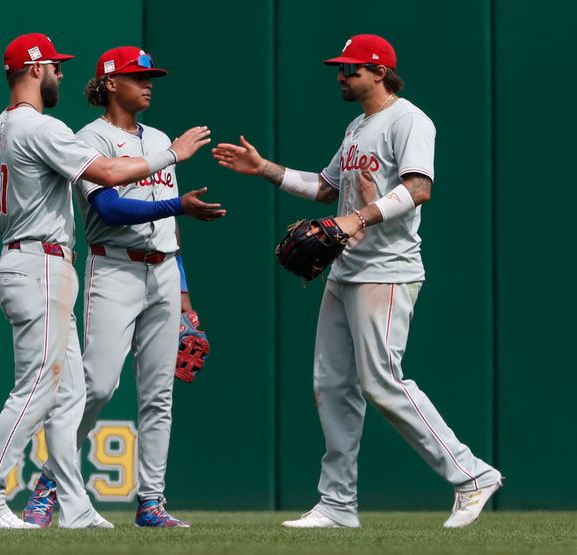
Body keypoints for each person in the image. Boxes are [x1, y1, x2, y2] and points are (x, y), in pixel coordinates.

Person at [212, 33, 502, 529]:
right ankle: (337, 504)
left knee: (382, 381)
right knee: (331, 384)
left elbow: (419, 188)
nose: (341, 76)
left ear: (379, 72)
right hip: (347, 271)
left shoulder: (408, 119)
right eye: (340, 68)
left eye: (350, 69)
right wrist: (265, 170)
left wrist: (359, 218)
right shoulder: (357, 126)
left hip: (387, 270)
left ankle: (471, 474)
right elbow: (327, 189)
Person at [0, 33, 211, 529]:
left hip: (23, 257)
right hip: (42, 262)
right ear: (35, 69)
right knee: (36, 390)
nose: (60, 74)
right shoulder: (43, 127)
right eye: (54, 66)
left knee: (70, 395)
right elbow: (109, 176)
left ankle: (75, 508)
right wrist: (175, 157)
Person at [21, 46, 225, 529]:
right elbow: (110, 210)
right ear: (111, 83)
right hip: (114, 269)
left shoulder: (157, 138)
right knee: (97, 384)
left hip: (163, 273)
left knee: (159, 395)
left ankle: (151, 502)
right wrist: (177, 205)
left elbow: (171, 233)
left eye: (151, 75)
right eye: (139, 76)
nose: (149, 82)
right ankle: (51, 481)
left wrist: (185, 300)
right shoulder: (88, 138)